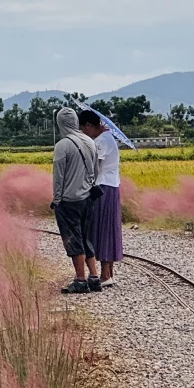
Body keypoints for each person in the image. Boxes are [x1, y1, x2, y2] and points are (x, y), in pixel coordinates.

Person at [51, 106, 99, 293]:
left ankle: (80, 280)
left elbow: (58, 177)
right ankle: (94, 277)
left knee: (73, 239)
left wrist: (56, 200)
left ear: (60, 124)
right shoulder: (89, 141)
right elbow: (95, 170)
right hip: (88, 198)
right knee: (85, 237)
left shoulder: (62, 145)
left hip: (69, 200)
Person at [82, 110, 123, 286]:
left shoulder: (101, 142)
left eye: (83, 129)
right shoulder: (107, 138)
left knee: (102, 229)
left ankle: (106, 275)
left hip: (102, 187)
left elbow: (95, 167)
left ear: (89, 126)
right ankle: (108, 273)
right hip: (110, 186)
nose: (83, 133)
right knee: (107, 228)